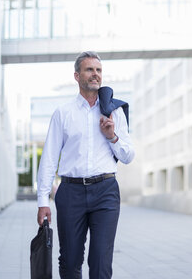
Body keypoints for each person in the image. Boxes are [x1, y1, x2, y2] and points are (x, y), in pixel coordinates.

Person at [37, 51, 135, 279]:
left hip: (106, 192)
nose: (95, 75)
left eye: (99, 70)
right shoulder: (63, 113)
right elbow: (49, 158)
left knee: (101, 262)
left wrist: (112, 136)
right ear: (77, 75)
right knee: (70, 262)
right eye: (89, 69)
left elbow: (129, 155)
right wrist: (43, 201)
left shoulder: (114, 112)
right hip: (71, 192)